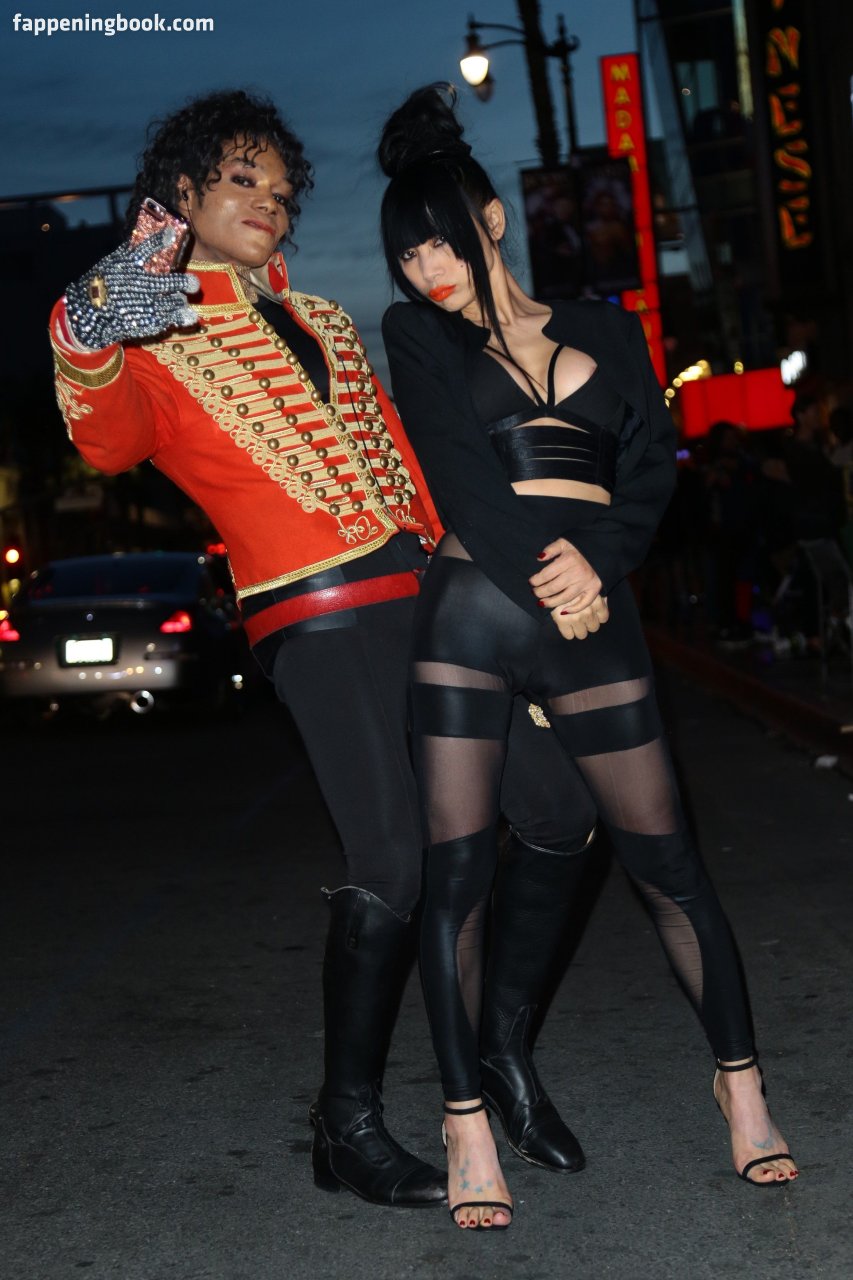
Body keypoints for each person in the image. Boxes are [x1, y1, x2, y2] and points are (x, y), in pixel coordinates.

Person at [50, 89, 598, 1211]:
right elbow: (106, 439)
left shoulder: (331, 322)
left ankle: (500, 1051)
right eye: (241, 179)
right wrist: (93, 318)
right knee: (393, 861)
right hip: (319, 616)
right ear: (184, 192)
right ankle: (345, 1123)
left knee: (558, 807)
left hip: (435, 600)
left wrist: (507, 587)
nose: (270, 202)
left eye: (282, 189)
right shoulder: (149, 325)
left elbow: (418, 474)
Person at [378, 85, 798, 1230]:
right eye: (407, 255)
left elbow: (651, 469)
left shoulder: (607, 329)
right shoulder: (419, 336)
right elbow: (463, 482)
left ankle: (741, 1088)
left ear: (490, 220)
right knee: (459, 880)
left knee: (667, 861)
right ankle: (466, 1117)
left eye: (440, 240)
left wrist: (596, 564)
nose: (426, 269)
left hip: (590, 607)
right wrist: (548, 577)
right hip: (472, 613)